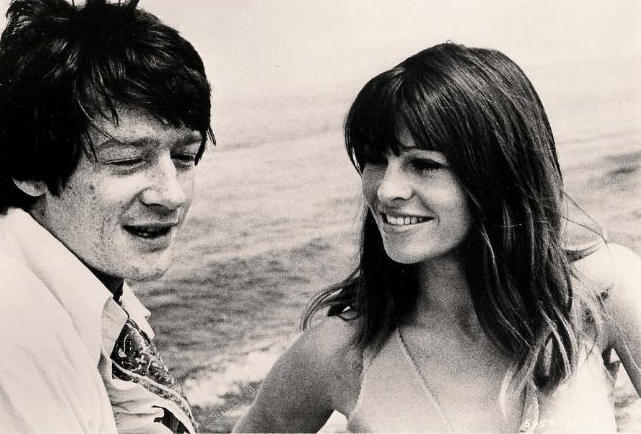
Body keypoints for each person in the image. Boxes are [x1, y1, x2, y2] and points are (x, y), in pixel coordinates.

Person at [235, 43, 641, 432]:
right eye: (375, 160)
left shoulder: (600, 294)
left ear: (498, 173)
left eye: (424, 165)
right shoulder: (339, 351)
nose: (386, 189)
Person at [0, 0, 214, 433]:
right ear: (29, 169)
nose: (172, 194)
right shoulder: (5, 342)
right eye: (127, 159)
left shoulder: (86, 300)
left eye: (184, 157)